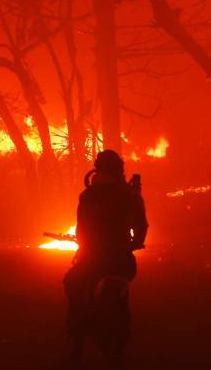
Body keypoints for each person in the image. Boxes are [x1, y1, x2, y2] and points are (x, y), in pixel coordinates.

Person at [63, 149, 148, 361]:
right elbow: (141, 227)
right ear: (119, 170)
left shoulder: (88, 195)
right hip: (120, 260)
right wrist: (134, 244)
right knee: (121, 295)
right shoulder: (130, 195)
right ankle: (116, 338)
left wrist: (85, 247)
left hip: (91, 259)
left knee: (72, 283)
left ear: (98, 170)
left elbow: (81, 228)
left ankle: (78, 335)